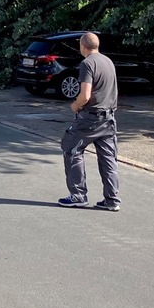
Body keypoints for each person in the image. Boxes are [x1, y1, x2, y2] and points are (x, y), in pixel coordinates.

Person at [58, 32, 121, 211]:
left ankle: (78, 195)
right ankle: (112, 199)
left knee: (71, 148)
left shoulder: (87, 64)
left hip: (90, 118)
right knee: (108, 159)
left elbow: (85, 95)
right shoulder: (108, 61)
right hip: (109, 118)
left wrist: (75, 105)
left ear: (82, 46)